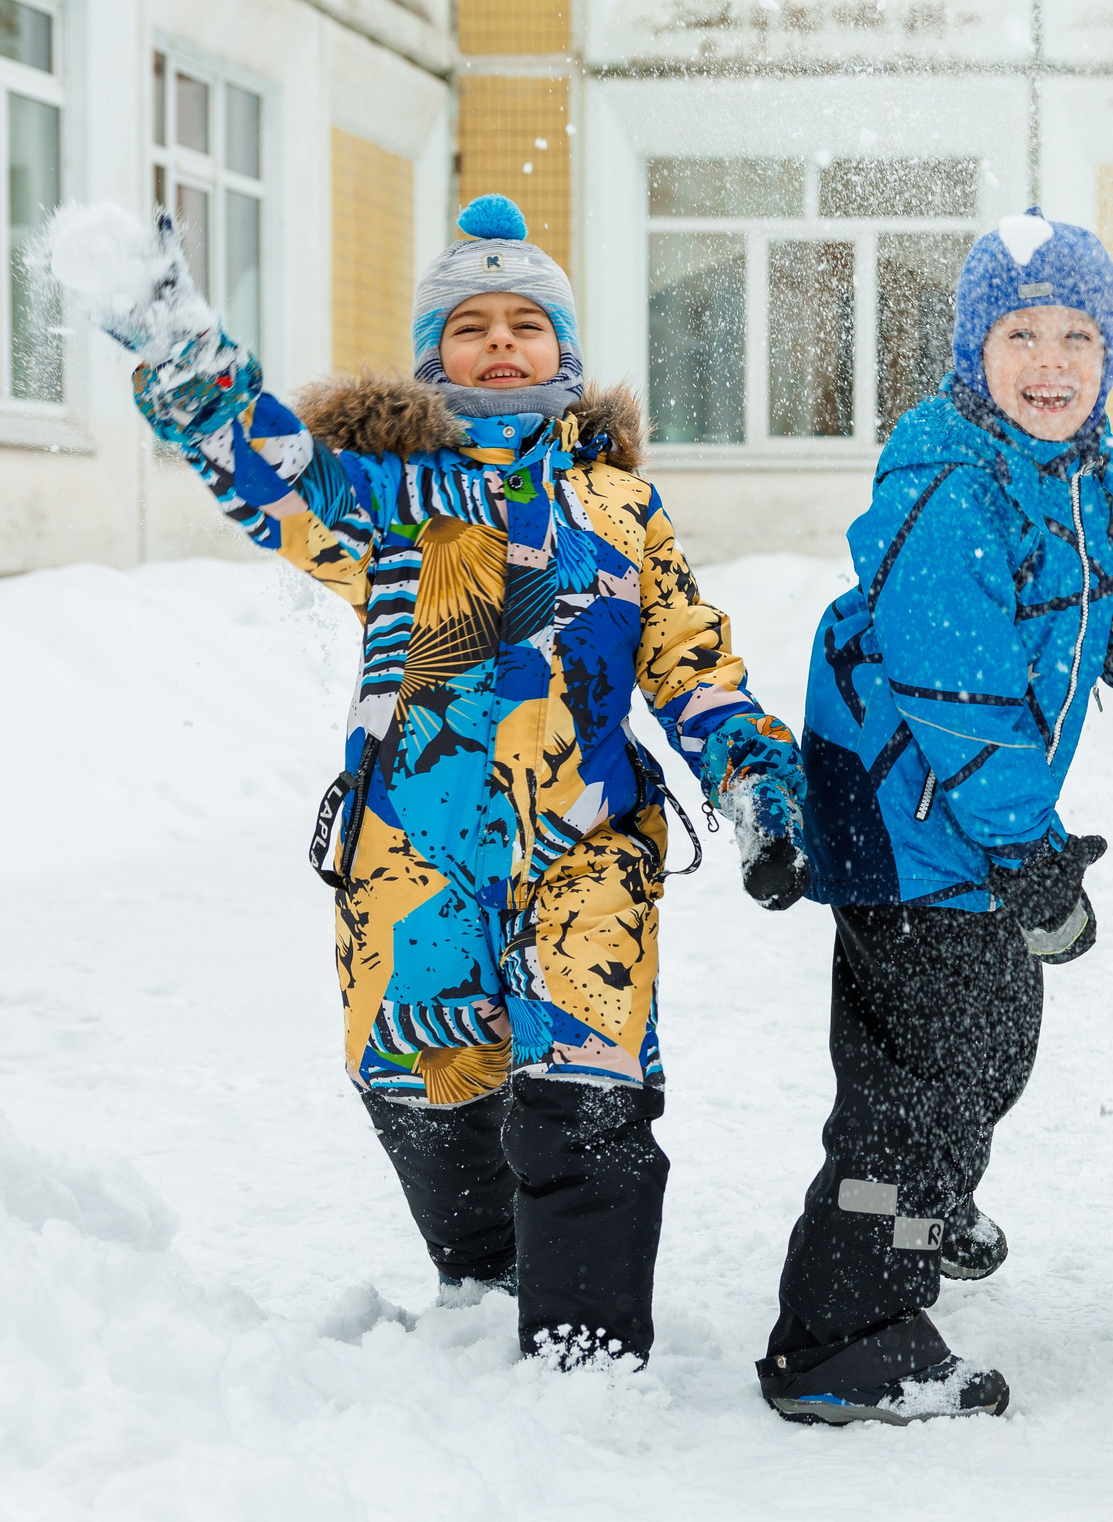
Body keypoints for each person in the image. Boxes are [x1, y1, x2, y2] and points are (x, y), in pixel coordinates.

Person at [96, 193, 808, 1366]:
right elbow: (267, 470)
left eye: (525, 325)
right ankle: (484, 1279)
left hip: (584, 841)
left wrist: (753, 783)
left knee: (592, 1087)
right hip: (413, 846)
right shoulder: (385, 497)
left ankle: (584, 1352)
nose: (500, 344)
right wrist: (181, 349)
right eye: (470, 326)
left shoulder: (618, 507)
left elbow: (689, 663)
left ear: (564, 355)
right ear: (436, 359)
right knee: (416, 1076)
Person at [758, 210, 1113, 1425]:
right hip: (908, 818)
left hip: (963, 827)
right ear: (974, 350)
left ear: (1107, 356)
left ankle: (930, 1207)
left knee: (990, 1045)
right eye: (1020, 333)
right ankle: (840, 1333)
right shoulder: (953, 478)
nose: (1049, 361)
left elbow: (1112, 589)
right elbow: (959, 696)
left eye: (1076, 335)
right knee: (911, 1089)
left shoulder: (1081, 474)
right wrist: (1030, 857)